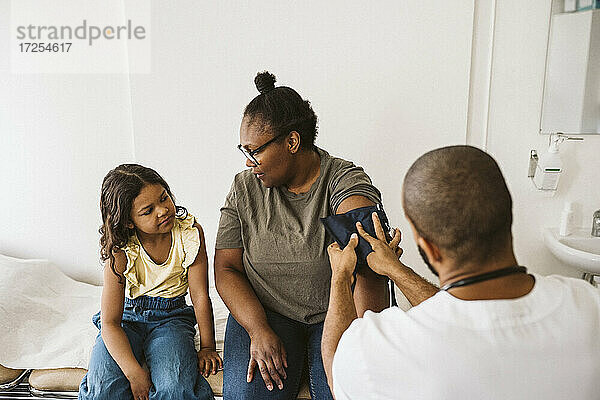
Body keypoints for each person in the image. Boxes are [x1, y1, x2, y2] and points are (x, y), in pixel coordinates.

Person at [323, 145, 600, 399]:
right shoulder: (589, 304)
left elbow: (338, 371)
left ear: (428, 247)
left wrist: (340, 276)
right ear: (508, 215)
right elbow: (462, 311)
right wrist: (395, 269)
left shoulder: (388, 347)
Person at [215, 71, 390, 399]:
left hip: (334, 314)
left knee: (348, 391)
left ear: (292, 142)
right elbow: (226, 269)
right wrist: (258, 329)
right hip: (266, 311)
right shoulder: (244, 188)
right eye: (245, 152)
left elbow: (368, 265)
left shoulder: (343, 181)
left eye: (256, 152)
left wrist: (363, 346)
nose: (250, 162)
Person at [79, 164, 221, 400]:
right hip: (126, 318)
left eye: (164, 198)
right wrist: (135, 374)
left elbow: (199, 296)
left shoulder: (189, 233)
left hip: (171, 318)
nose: (163, 210)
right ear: (128, 222)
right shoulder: (120, 251)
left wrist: (207, 347)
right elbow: (110, 323)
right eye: (148, 210)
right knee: (104, 388)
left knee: (175, 388)